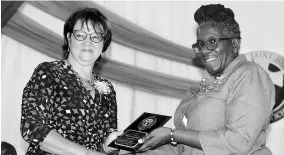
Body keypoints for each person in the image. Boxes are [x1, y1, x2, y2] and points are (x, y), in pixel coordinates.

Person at [135, 4, 275, 155]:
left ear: (234, 44)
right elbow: (185, 149)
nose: (203, 50)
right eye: (200, 44)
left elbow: (238, 141)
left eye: (212, 41)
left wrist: (172, 134)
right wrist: (138, 147)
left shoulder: (249, 74)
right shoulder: (204, 84)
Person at [20, 8, 122, 155]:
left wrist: (107, 147)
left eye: (96, 36)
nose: (88, 42)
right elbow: (32, 128)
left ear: (104, 44)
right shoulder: (49, 72)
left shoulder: (107, 89)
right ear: (69, 38)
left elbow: (100, 149)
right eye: (80, 35)